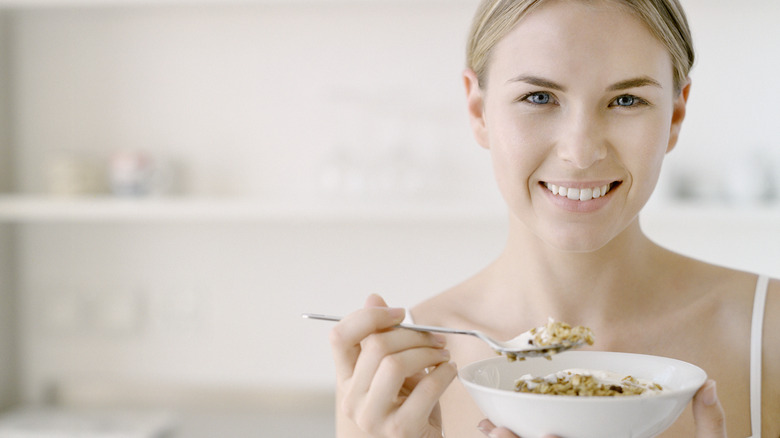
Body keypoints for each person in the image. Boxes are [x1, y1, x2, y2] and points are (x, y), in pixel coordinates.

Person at [328, 0, 779, 436]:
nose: (581, 153)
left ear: (676, 115)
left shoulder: (769, 330)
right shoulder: (399, 377)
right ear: (477, 109)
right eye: (539, 97)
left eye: (626, 101)